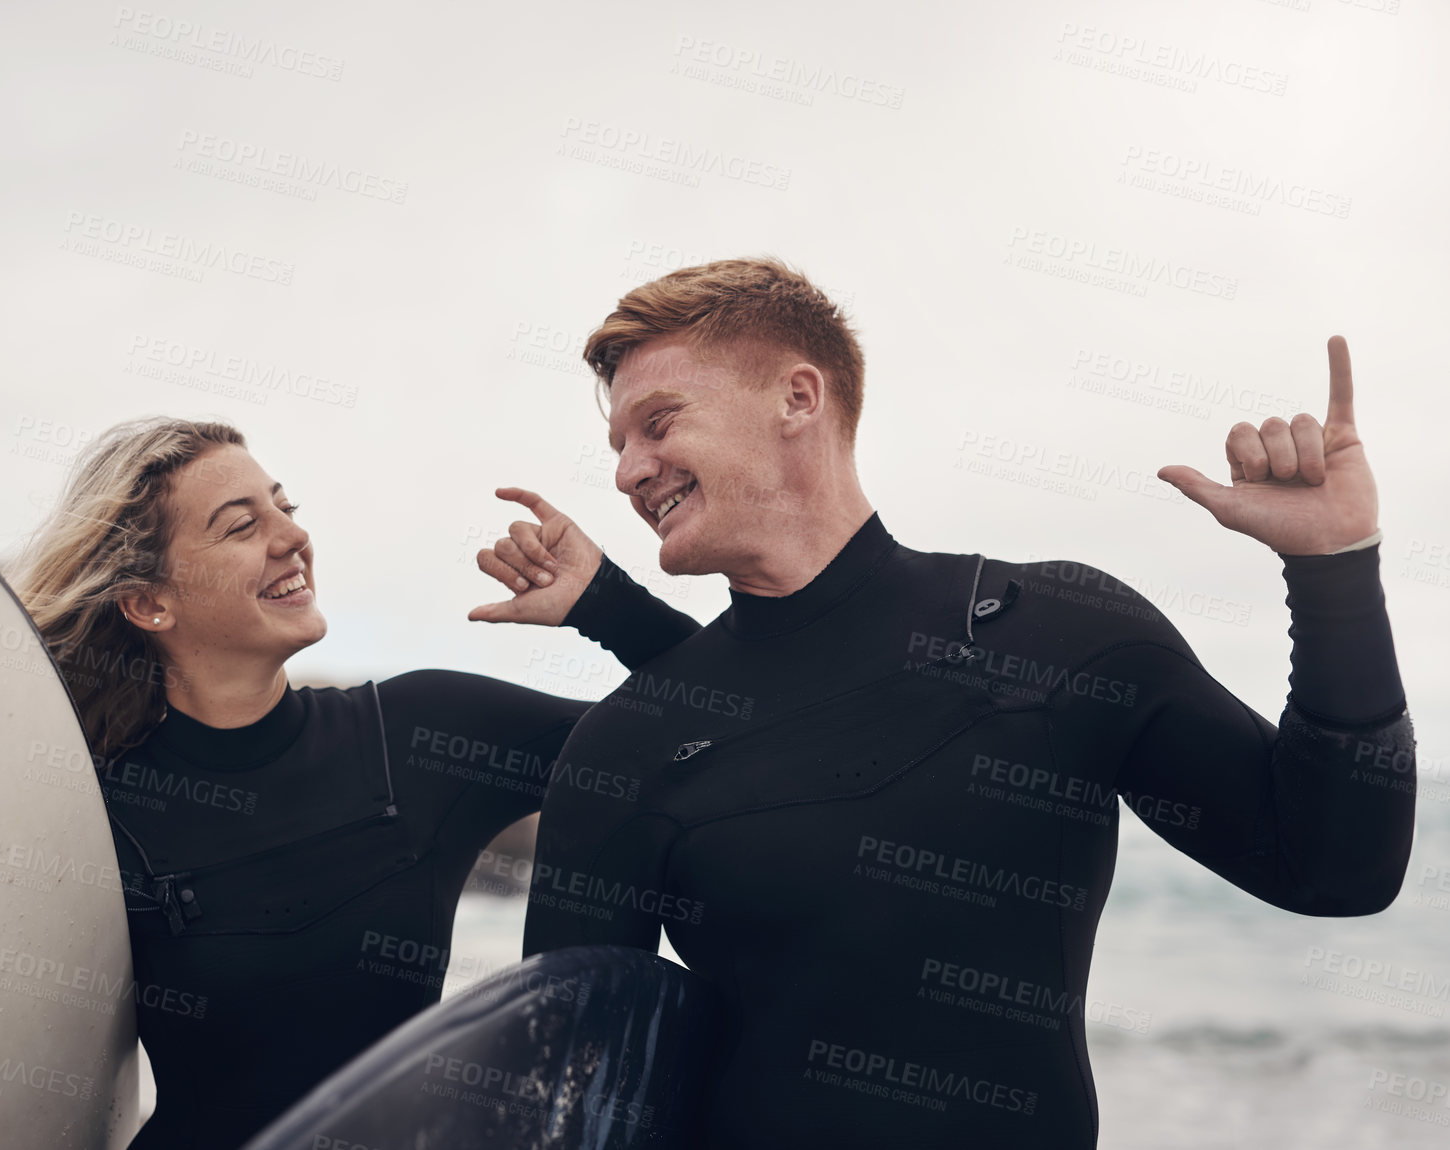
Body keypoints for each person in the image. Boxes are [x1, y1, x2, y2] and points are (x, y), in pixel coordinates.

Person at [521, 258, 1415, 1148]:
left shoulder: (1064, 635)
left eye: (659, 423)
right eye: (619, 447)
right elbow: (558, 1100)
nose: (629, 472)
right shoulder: (624, 747)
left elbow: (1334, 871)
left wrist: (1334, 571)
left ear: (799, 398)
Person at [7, 417, 696, 1150]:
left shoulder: (423, 737)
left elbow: (707, 730)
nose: (290, 537)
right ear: (150, 603)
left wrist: (606, 606)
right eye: (242, 526)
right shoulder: (90, 808)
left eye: (286, 508)